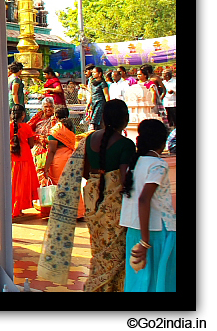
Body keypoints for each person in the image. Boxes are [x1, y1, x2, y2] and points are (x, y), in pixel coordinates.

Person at [40, 99, 134, 291]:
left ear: (104, 119)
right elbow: (126, 179)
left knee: (99, 251)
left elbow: (84, 171)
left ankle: (95, 286)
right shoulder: (126, 144)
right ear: (126, 119)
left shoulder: (89, 140)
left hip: (93, 200)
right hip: (116, 206)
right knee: (116, 254)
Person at [120, 119, 175, 292]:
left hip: (136, 230)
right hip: (157, 232)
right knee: (160, 278)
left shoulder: (135, 163)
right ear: (163, 141)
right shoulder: (158, 165)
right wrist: (145, 241)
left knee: (138, 280)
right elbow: (144, 199)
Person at [43, 108, 86, 219]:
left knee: (60, 186)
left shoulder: (56, 130)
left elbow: (52, 150)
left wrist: (46, 167)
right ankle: (78, 212)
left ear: (56, 117)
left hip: (59, 160)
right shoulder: (72, 128)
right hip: (72, 157)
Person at [10, 104, 38, 217]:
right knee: (23, 184)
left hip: (13, 157)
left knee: (14, 183)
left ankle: (13, 208)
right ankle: (19, 208)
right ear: (23, 115)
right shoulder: (26, 127)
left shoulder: (9, 126)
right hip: (25, 157)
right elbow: (31, 144)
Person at [28, 97, 57, 177]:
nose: (48, 109)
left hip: (51, 147)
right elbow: (28, 130)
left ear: (54, 107)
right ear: (42, 107)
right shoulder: (38, 117)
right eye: (46, 106)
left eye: (50, 106)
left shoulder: (56, 118)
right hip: (37, 147)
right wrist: (37, 137)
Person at [86, 66, 110, 131]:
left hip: (100, 103)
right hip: (94, 103)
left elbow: (106, 94)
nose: (93, 74)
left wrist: (108, 105)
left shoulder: (102, 83)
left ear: (100, 74)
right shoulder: (93, 83)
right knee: (93, 118)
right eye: (92, 73)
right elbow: (92, 94)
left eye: (94, 72)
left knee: (95, 119)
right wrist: (88, 105)